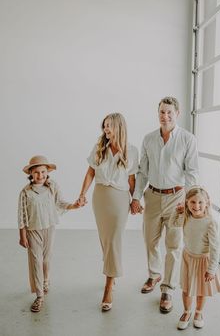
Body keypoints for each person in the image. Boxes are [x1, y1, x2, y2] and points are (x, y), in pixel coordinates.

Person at [130, 96, 199, 313]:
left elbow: (192, 173)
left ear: (177, 114)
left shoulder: (187, 139)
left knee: (174, 245)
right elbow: (142, 171)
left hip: (177, 199)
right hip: (152, 196)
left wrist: (188, 201)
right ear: (157, 113)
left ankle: (168, 289)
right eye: (162, 112)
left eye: (169, 112)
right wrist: (135, 197)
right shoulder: (149, 139)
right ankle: (154, 274)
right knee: (150, 240)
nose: (165, 116)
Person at [77, 112, 139, 312]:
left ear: (119, 127)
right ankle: (111, 270)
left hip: (120, 200)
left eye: (109, 125)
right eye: (104, 126)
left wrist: (136, 200)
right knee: (105, 240)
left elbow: (131, 180)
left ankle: (109, 286)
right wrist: (82, 194)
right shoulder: (99, 148)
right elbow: (90, 172)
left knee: (113, 240)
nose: (106, 129)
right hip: (100, 198)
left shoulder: (131, 150)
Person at [18, 155, 80, 312]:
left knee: (46, 260)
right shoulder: (26, 192)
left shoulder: (52, 187)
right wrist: (22, 235)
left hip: (49, 227)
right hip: (33, 230)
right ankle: (39, 296)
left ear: (47, 172)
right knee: (36, 262)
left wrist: (74, 205)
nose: (40, 175)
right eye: (37, 172)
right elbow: (22, 215)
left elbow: (60, 203)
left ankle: (46, 280)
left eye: (43, 172)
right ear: (31, 174)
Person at [174, 186, 220, 330]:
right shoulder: (186, 217)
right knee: (187, 289)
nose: (196, 206)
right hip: (188, 258)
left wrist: (212, 269)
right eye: (193, 202)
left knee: (201, 290)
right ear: (187, 202)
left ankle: (198, 313)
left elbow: (215, 248)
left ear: (207, 202)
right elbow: (173, 224)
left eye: (200, 202)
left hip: (203, 261)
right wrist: (177, 212)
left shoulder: (210, 223)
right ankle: (187, 312)